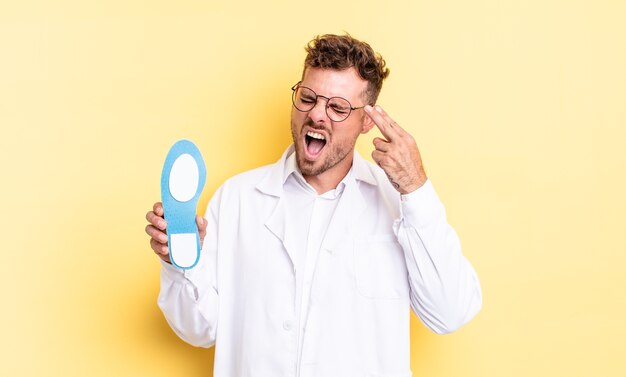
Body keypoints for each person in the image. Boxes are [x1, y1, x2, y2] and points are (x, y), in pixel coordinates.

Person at [145, 34, 482, 377]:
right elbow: (198, 329)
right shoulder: (237, 199)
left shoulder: (400, 204)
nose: (317, 115)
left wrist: (416, 188)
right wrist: (179, 264)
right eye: (307, 98)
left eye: (337, 107)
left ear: (367, 121)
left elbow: (450, 312)